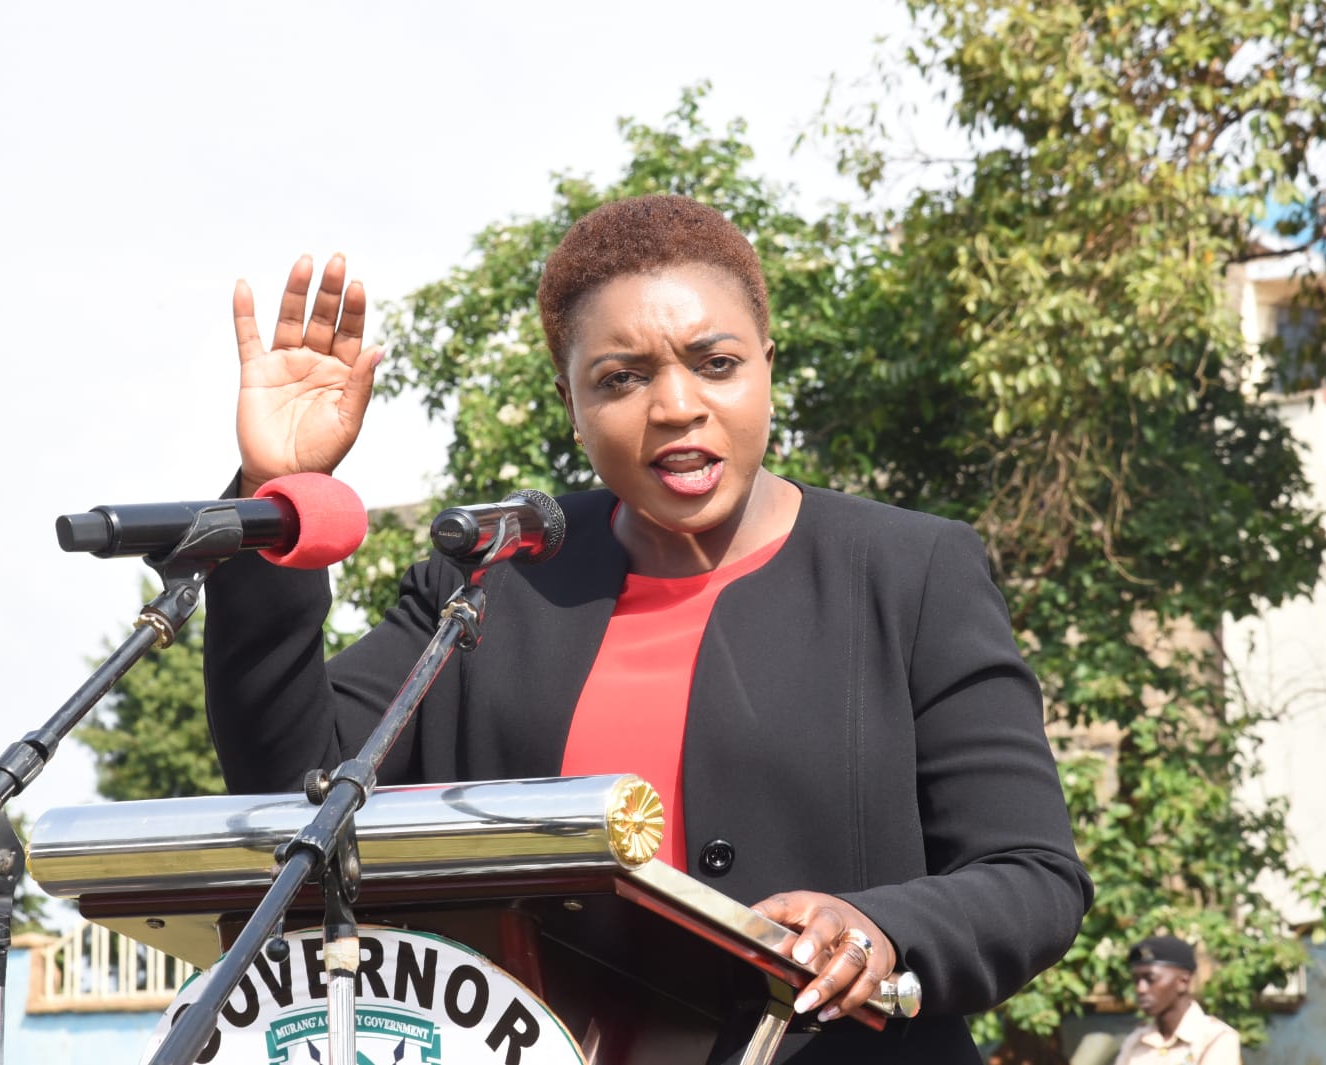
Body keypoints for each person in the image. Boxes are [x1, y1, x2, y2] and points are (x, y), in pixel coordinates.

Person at [202, 194, 1093, 1062]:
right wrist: (274, 498)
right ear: (571, 402)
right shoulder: (491, 578)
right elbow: (297, 784)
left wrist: (882, 927)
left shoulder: (910, 572)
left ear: (768, 366)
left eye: (715, 362)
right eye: (620, 378)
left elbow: (1031, 876)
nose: (674, 405)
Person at [1114, 935, 1241, 1065]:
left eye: (1150, 979)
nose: (1141, 989)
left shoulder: (1215, 1039)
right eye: (1136, 980)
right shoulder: (1135, 1042)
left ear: (1183, 981)